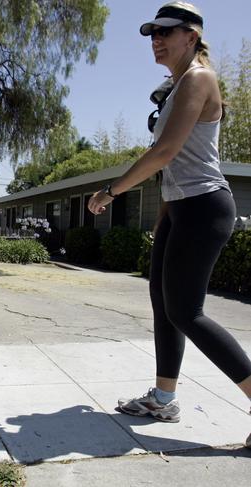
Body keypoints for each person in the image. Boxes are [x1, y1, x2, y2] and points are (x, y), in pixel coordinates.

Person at [87, 2, 251, 448]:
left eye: (166, 31)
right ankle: (163, 398)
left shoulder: (199, 78)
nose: (156, 39)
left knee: (186, 310)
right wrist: (164, 216)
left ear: (191, 36)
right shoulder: (176, 85)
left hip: (204, 206)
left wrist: (111, 191)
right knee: (163, 301)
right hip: (180, 208)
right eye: (152, 33)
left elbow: (165, 154)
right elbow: (171, 170)